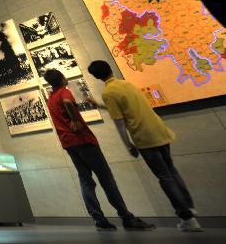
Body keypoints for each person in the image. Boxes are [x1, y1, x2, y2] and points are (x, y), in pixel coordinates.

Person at [86, 60, 202, 232]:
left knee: (164, 177)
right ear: (110, 69)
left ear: (96, 77)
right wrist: (100, 105)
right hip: (159, 130)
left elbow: (119, 122)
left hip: (144, 137)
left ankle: (187, 217)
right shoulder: (126, 84)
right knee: (171, 171)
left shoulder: (109, 92)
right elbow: (125, 107)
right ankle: (189, 207)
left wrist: (128, 146)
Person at [42, 69, 154, 231]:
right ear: (61, 78)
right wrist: (75, 120)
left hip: (69, 144)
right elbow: (67, 102)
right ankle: (126, 217)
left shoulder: (51, 98)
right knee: (106, 179)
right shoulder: (64, 92)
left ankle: (99, 220)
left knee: (86, 180)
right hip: (83, 141)